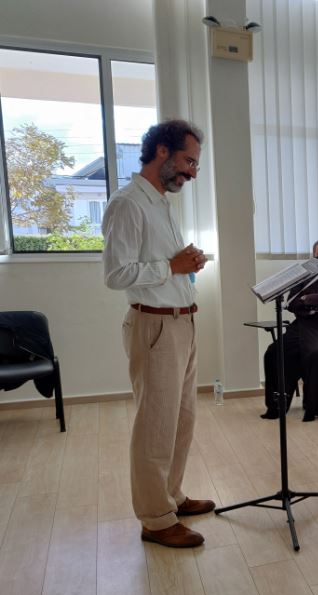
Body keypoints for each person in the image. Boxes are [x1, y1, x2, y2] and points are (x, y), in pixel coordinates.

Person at [102, 119, 214, 549]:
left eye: (196, 165)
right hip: (154, 326)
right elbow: (116, 274)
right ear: (162, 151)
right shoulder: (128, 203)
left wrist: (186, 263)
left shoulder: (161, 203)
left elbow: (165, 265)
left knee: (182, 419)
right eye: (189, 161)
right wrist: (172, 266)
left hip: (182, 321)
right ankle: (155, 519)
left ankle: (172, 496)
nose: (193, 172)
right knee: (155, 425)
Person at [261, 240, 318, 422]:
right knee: (274, 352)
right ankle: (277, 405)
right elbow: (292, 304)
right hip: (301, 326)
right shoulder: (303, 280)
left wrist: (308, 299)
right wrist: (317, 305)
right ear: (313, 258)